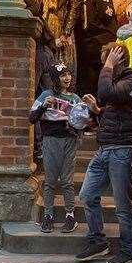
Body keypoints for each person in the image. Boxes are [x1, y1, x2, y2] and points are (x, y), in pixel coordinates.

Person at [76, 43, 132, 263]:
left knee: (122, 205)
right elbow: (118, 109)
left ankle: (130, 249)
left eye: (106, 61)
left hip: (123, 150)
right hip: (105, 149)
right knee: (87, 195)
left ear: (118, 59)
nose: (103, 66)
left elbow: (106, 93)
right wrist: (98, 111)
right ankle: (98, 241)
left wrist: (108, 65)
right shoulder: (120, 83)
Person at [29, 63, 82, 234]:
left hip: (69, 140)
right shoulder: (46, 95)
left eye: (68, 74)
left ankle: (70, 216)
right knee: (50, 181)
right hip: (51, 140)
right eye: (62, 75)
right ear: (54, 78)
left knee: (67, 181)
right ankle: (48, 215)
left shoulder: (75, 98)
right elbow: (32, 117)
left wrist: (82, 115)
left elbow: (84, 122)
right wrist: (44, 105)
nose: (67, 78)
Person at [78, 0, 116, 97]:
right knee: (101, 82)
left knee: (87, 84)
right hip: (101, 41)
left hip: (85, 42)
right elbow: (106, 14)